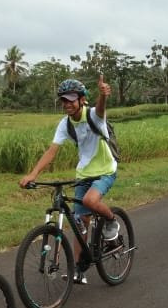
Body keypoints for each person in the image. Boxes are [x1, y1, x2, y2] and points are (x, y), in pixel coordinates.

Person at [19, 75, 120, 284]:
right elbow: (52, 151)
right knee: (80, 221)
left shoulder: (94, 116)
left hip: (105, 170)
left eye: (71, 99)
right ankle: (78, 269)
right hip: (83, 174)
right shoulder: (65, 124)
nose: (67, 104)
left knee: (90, 202)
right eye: (64, 100)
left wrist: (103, 95)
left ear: (82, 99)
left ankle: (111, 221)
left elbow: (101, 108)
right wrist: (33, 174)